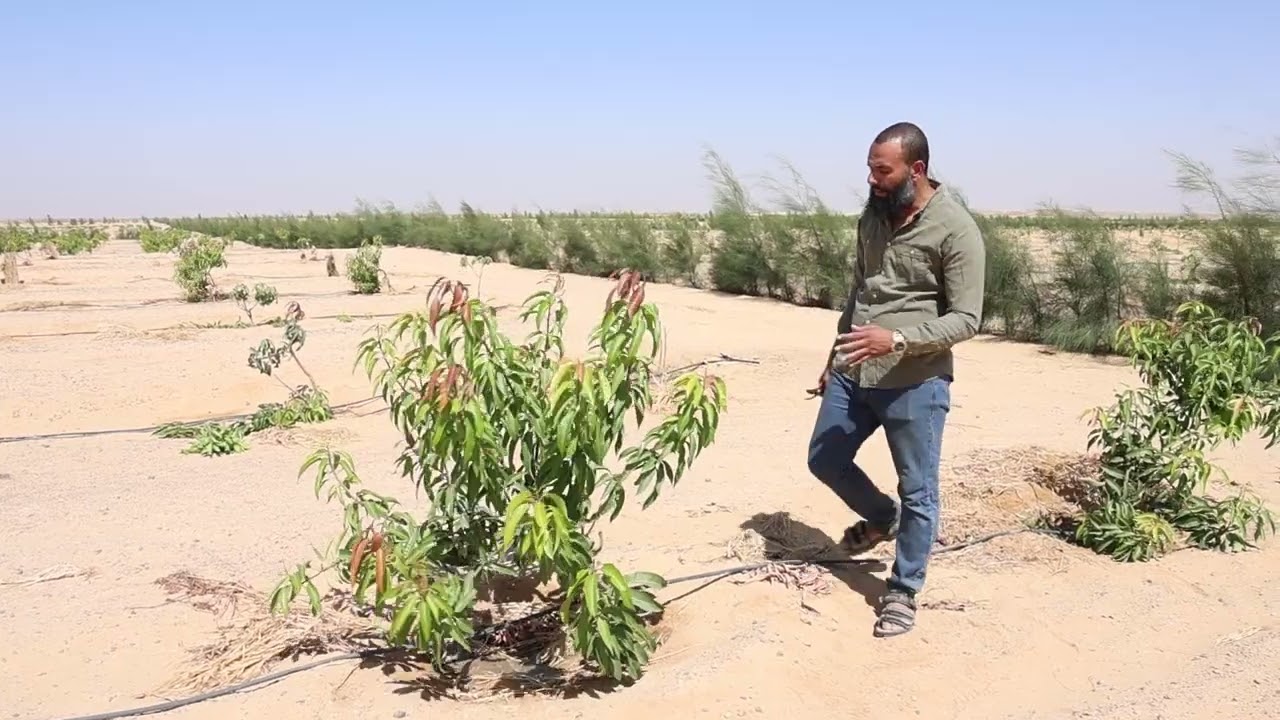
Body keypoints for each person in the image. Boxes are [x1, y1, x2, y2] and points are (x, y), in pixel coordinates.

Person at [806, 121, 985, 637]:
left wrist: (898, 341)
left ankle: (903, 592)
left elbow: (967, 318)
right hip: (854, 368)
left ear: (918, 169)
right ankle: (884, 519)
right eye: (869, 168)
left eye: (882, 170)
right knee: (825, 457)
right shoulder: (873, 218)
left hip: (915, 379)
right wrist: (833, 355)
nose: (872, 179)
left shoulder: (955, 229)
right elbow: (860, 291)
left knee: (920, 491)